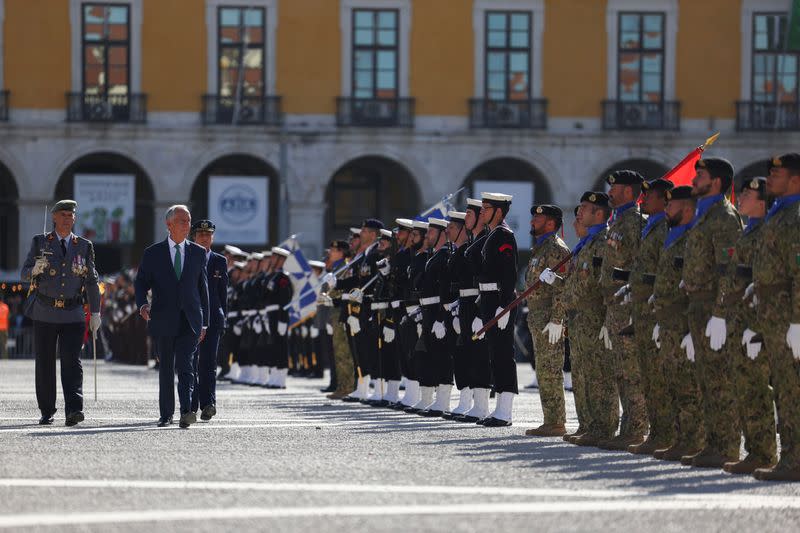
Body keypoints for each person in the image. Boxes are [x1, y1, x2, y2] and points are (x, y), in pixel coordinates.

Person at [682, 157, 743, 468]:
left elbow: (729, 271)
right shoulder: (704, 216)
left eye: (700, 176)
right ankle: (711, 444)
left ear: (716, 182)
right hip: (697, 305)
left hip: (713, 308)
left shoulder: (724, 218)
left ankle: (727, 447)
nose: (694, 181)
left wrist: (720, 313)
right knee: (705, 379)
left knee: (720, 380)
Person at [20, 199, 101, 426]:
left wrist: (95, 312)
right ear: (54, 217)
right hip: (45, 311)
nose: (67, 218)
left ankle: (74, 410)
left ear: (75, 218)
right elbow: (24, 273)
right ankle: (47, 409)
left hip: (73, 312)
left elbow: (92, 281)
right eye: (63, 214)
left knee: (72, 362)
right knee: (45, 362)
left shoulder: (84, 246)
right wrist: (33, 270)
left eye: (71, 215)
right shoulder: (40, 242)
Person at [719, 177, 777, 474]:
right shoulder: (748, 232)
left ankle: (766, 452)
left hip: (757, 323)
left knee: (758, 389)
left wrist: (756, 327)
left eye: (748, 193)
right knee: (745, 387)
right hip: (739, 320)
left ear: (763, 201)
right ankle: (756, 451)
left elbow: (765, 284)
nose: (740, 197)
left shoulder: (765, 233)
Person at [135, 205, 209, 428]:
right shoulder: (153, 253)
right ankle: (166, 413)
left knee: (187, 366)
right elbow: (140, 282)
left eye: (188, 220)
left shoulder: (197, 252)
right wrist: (142, 305)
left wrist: (204, 322)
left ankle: (186, 411)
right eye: (182, 221)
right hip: (163, 319)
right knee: (166, 367)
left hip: (190, 320)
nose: (187, 225)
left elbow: (202, 288)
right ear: (169, 225)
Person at [752, 153, 800, 481]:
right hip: (773, 315)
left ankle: (794, 460)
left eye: (777, 173)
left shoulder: (794, 216)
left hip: (788, 315)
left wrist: (797, 320)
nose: (770, 178)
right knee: (784, 387)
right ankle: (790, 457)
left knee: (792, 389)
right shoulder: (778, 213)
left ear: (795, 180)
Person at [650, 186, 705, 462]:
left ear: (686, 209)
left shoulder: (691, 238)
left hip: (686, 323)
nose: (666, 209)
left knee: (688, 387)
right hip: (669, 320)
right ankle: (681, 439)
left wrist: (691, 329)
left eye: (671, 205)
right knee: (673, 383)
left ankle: (695, 441)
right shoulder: (673, 237)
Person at [626, 178, 675, 455]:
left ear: (664, 200)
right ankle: (657, 433)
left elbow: (662, 271)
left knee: (660, 377)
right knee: (649, 376)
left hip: (656, 310)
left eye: (649, 197)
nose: (642, 201)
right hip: (643, 309)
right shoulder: (650, 227)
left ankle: (665, 434)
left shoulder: (663, 228)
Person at [524, 204, 570, 437]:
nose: (532, 221)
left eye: (538, 218)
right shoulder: (541, 247)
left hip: (548, 318)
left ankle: (556, 422)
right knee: (544, 370)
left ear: (551, 223)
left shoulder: (555, 248)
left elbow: (562, 288)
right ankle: (550, 420)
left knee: (551, 369)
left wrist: (557, 319)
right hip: (537, 316)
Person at [475, 192, 518, 427]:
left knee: (503, 354)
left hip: (499, 299)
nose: (482, 212)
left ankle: (505, 411)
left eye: (486, 208)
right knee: (495, 353)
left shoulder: (504, 235)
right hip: (489, 299)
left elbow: (509, 273)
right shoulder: (491, 235)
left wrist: (505, 305)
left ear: (498, 211)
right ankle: (498, 408)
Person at [189, 220, 228, 421]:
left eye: (208, 234)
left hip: (213, 319)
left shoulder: (220, 261)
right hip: (193, 318)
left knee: (209, 364)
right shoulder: (187, 257)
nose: (205, 237)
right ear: (194, 236)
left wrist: (224, 318)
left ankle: (208, 403)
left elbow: (223, 294)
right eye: (201, 234)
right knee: (192, 363)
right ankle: (192, 405)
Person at [0, 295, 9, 359]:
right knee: (4, 344)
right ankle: (5, 358)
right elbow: (8, 317)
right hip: (4, 328)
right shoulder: (6, 307)